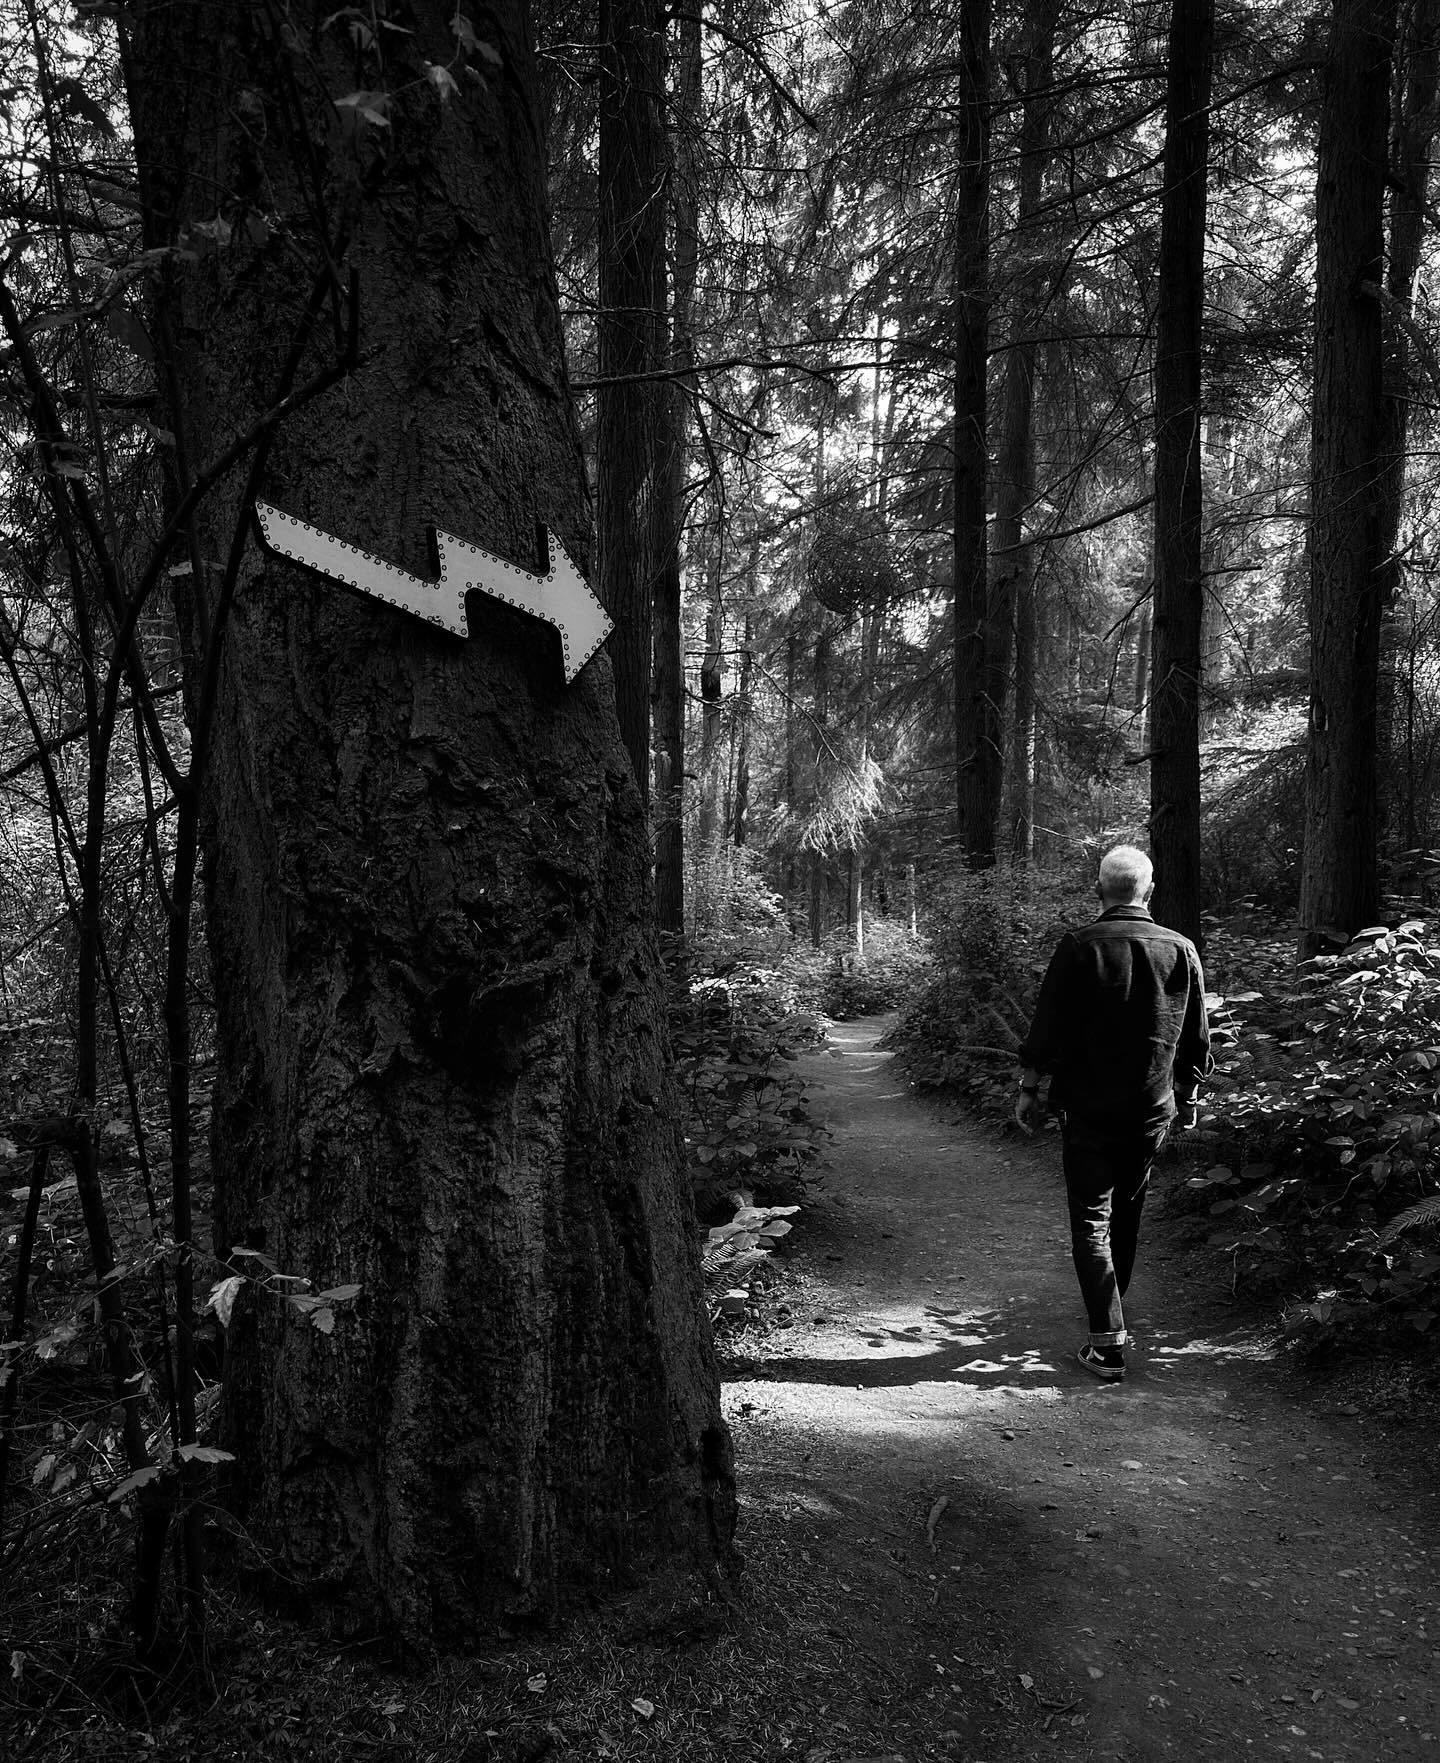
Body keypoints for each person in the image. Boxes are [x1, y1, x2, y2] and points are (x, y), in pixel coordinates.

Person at [1014, 845, 1211, 1381]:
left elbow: (1048, 1024)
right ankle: (1110, 1325)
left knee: (1091, 1220)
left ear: (1100, 889)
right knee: (1127, 1212)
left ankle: (1108, 1340)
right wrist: (1190, 1097)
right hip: (1151, 1108)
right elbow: (1195, 1035)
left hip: (1087, 1106)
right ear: (1149, 891)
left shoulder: (1080, 946)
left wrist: (1030, 1086)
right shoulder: (1181, 949)